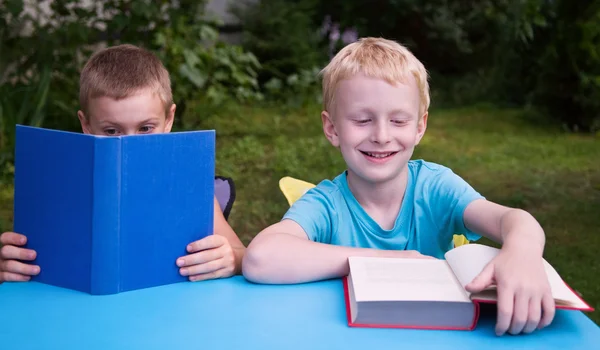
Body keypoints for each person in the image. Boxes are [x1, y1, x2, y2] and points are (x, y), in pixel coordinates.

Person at [242, 37, 555, 336]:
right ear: (332, 128)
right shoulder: (326, 203)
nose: (381, 135)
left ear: (420, 127)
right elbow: (260, 258)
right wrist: (389, 261)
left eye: (398, 121)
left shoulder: (436, 187)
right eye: (362, 120)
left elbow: (514, 220)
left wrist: (522, 255)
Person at [0, 44, 245, 284]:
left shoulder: (188, 181)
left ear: (169, 119)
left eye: (145, 128)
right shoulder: (56, 182)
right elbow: (25, 256)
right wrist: (10, 264)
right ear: (86, 124)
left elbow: (242, 253)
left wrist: (232, 259)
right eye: (111, 130)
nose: (128, 143)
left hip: (170, 308)